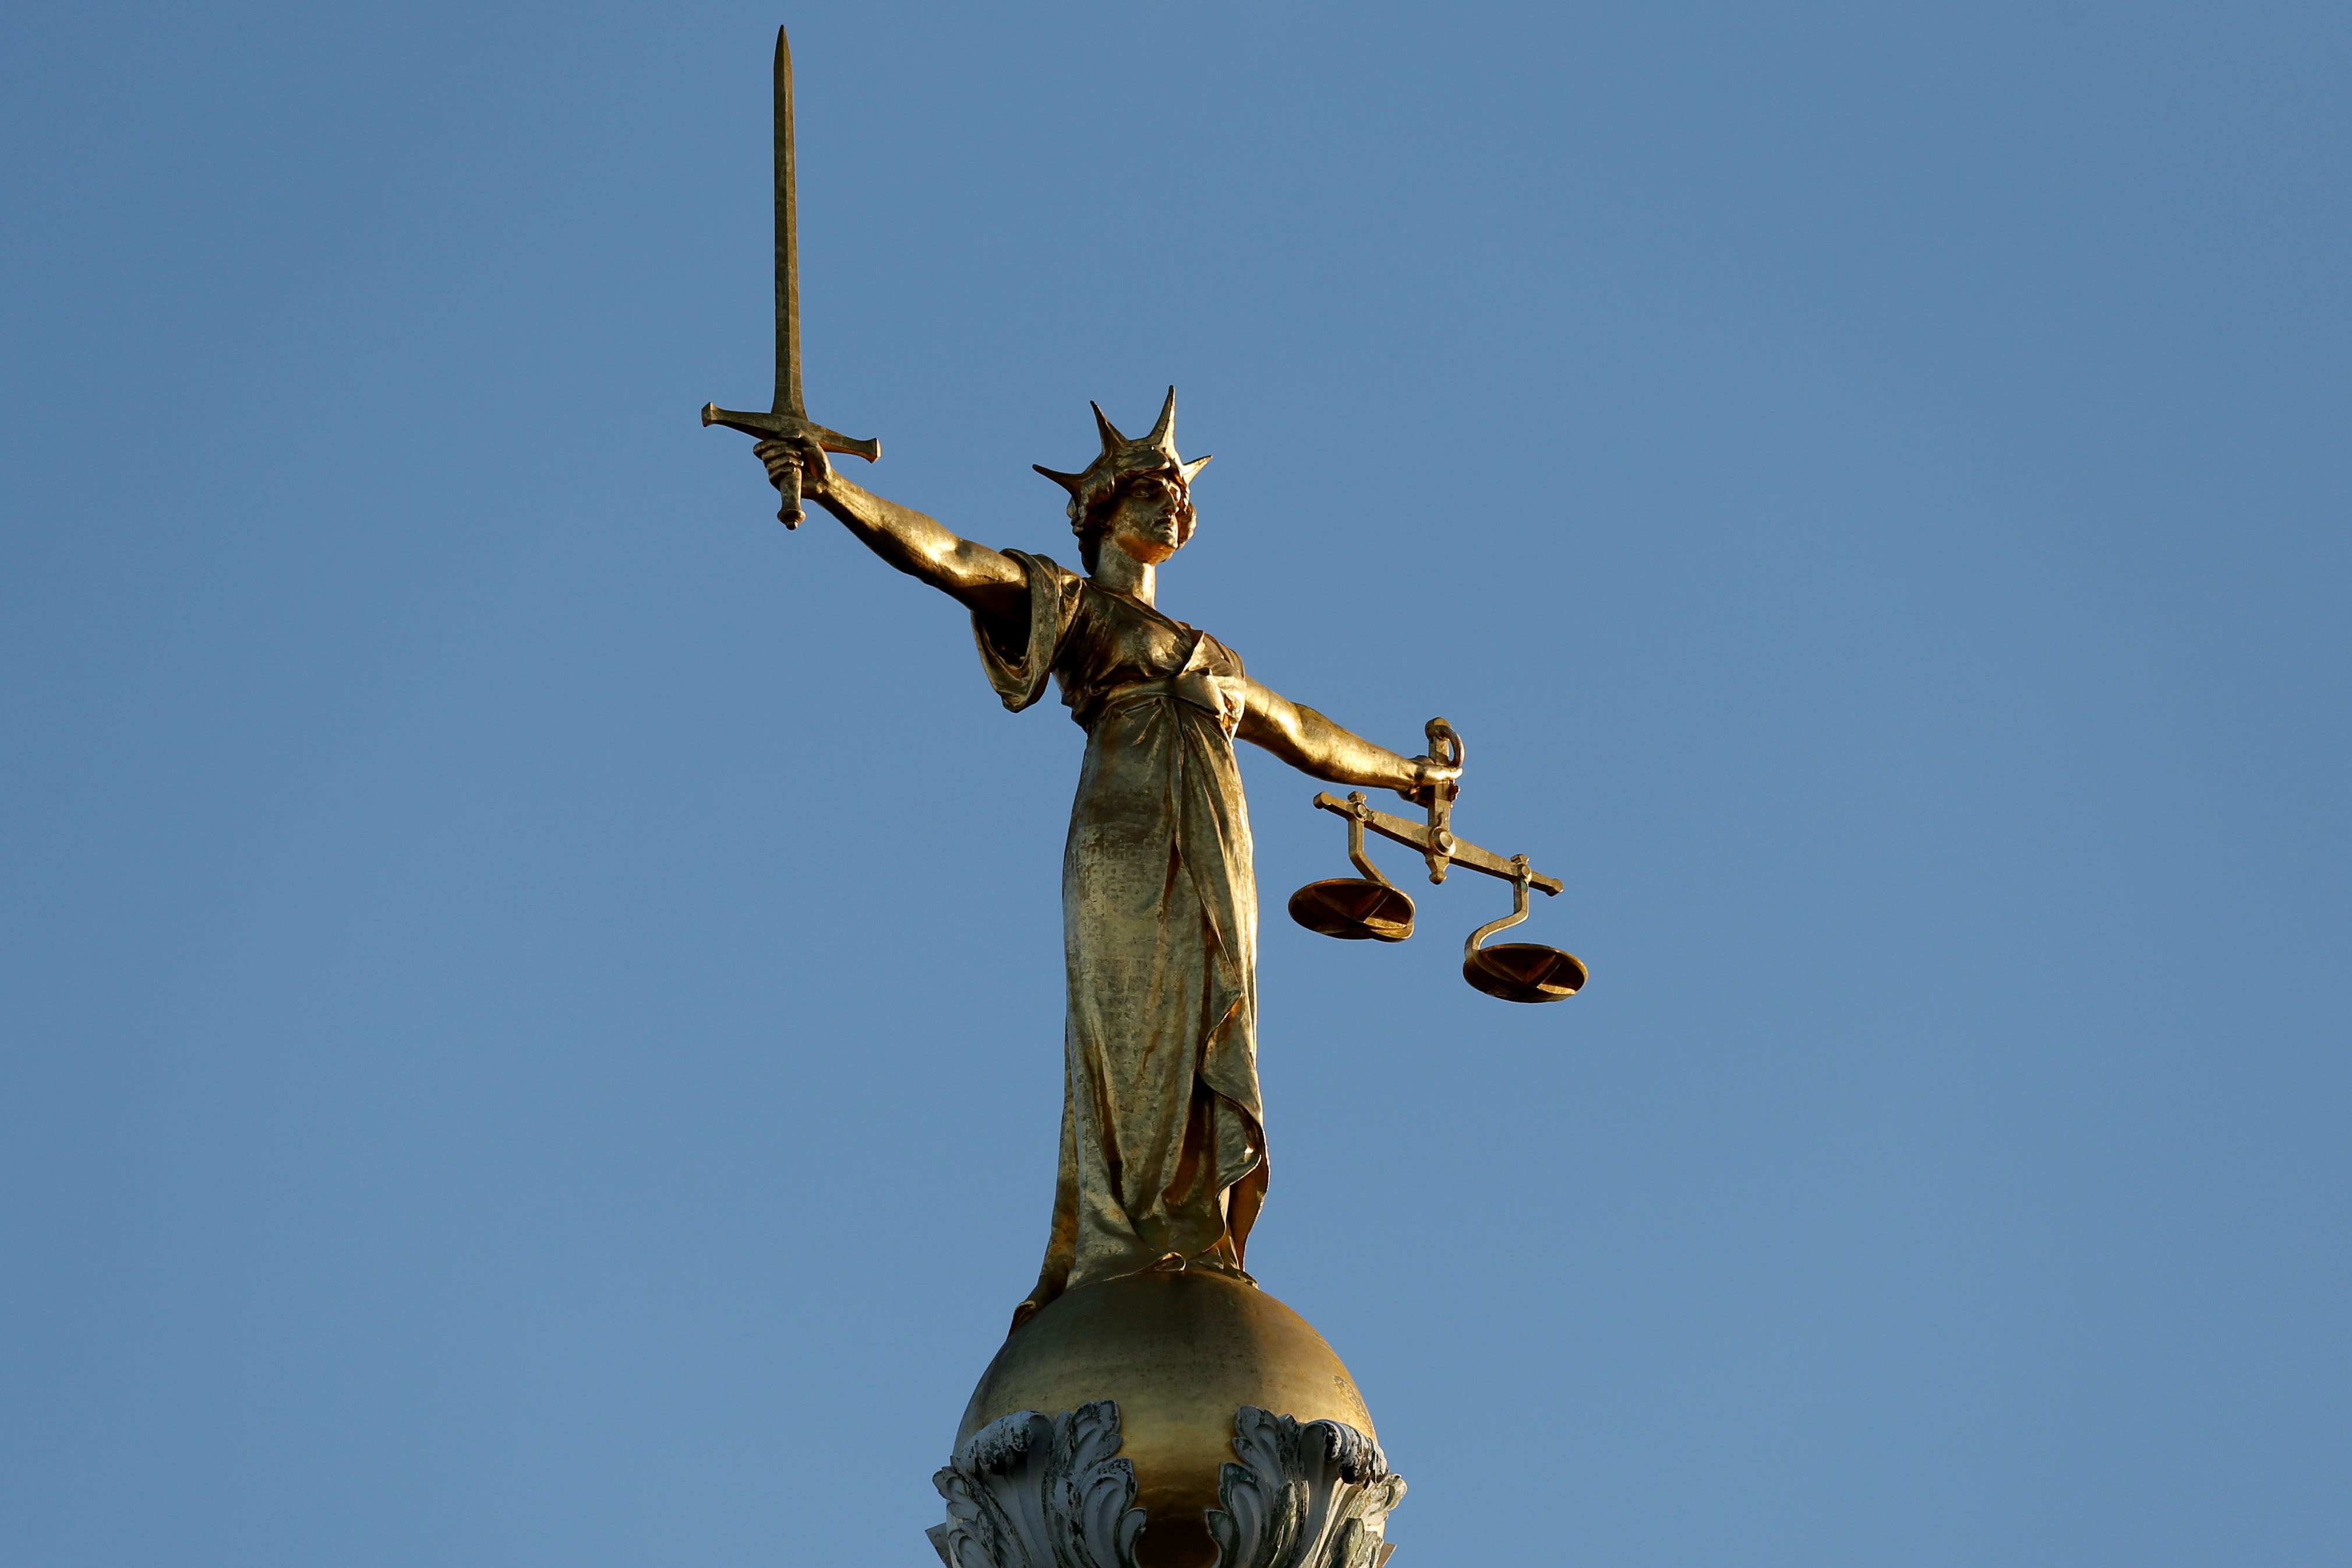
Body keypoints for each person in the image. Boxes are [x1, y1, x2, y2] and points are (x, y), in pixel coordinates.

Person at [753, 389, 1458, 1327]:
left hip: (1214, 847)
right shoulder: (1078, 606)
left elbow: (1297, 730)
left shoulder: (1212, 655)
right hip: (1123, 840)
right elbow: (955, 560)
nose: (1170, 504)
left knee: (1214, 1008)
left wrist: (1410, 776)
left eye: (1176, 492)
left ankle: (1192, 1226)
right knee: (1134, 1024)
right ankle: (1119, 1233)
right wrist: (836, 490)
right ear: (1099, 513)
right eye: (1146, 490)